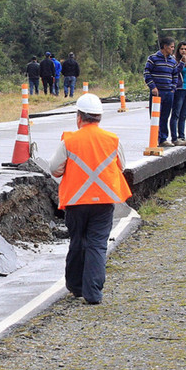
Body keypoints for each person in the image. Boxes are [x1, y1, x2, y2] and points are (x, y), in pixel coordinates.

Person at [49, 93, 132, 305]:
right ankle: (93, 293)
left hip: (76, 202)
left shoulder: (69, 140)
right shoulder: (112, 140)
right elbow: (121, 166)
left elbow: (54, 169)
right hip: (103, 202)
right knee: (97, 244)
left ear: (79, 117)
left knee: (78, 242)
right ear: (99, 118)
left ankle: (76, 287)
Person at [143, 37, 183, 148]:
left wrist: (173, 88)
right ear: (165, 46)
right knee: (155, 116)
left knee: (165, 116)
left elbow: (175, 74)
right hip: (157, 92)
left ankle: (163, 139)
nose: (173, 49)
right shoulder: (153, 58)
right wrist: (153, 87)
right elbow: (147, 73)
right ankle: (156, 138)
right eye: (171, 47)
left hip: (168, 92)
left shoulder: (172, 60)